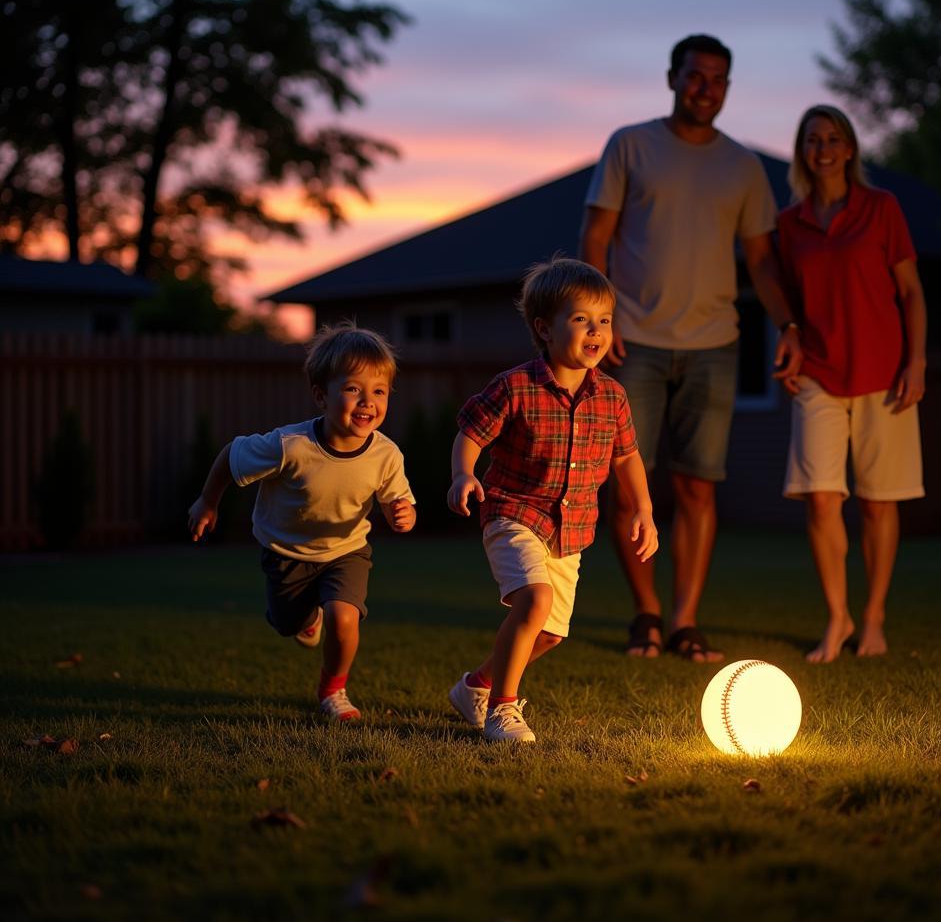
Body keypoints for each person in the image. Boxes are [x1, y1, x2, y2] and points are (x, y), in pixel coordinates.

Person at [579, 33, 802, 660]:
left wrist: (788, 325)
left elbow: (761, 259)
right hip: (633, 343)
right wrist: (602, 319)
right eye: (695, 75)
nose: (706, 88)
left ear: (727, 88)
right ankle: (645, 614)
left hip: (714, 346)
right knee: (630, 485)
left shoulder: (743, 166)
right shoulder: (631, 145)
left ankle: (684, 620)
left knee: (699, 487)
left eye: (718, 79)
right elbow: (595, 236)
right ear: (672, 77)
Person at [447, 258, 658, 743]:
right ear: (544, 327)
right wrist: (463, 473)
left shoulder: (612, 397)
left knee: (549, 632)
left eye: (604, 320)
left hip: (572, 529)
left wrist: (644, 509)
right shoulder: (516, 386)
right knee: (534, 599)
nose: (596, 331)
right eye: (581, 319)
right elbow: (471, 432)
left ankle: (475, 686)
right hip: (514, 512)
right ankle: (502, 709)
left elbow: (627, 459)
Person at [187, 323, 416, 719]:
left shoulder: (386, 454)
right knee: (287, 622)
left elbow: (400, 501)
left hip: (347, 550)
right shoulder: (290, 447)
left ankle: (333, 691)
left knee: (344, 617)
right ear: (320, 395)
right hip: (285, 551)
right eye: (352, 389)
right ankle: (307, 619)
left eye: (378, 391)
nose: (367, 402)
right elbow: (231, 454)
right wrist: (208, 502)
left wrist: (404, 516)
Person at [776, 105, 927, 663]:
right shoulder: (789, 225)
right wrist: (789, 337)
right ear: (803, 150)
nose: (823, 148)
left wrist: (918, 362)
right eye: (813, 139)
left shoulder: (882, 209)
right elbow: (788, 301)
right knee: (820, 501)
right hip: (818, 375)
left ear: (849, 148)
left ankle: (873, 617)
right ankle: (837, 617)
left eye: (834, 138)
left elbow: (911, 291)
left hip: (885, 374)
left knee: (877, 504)